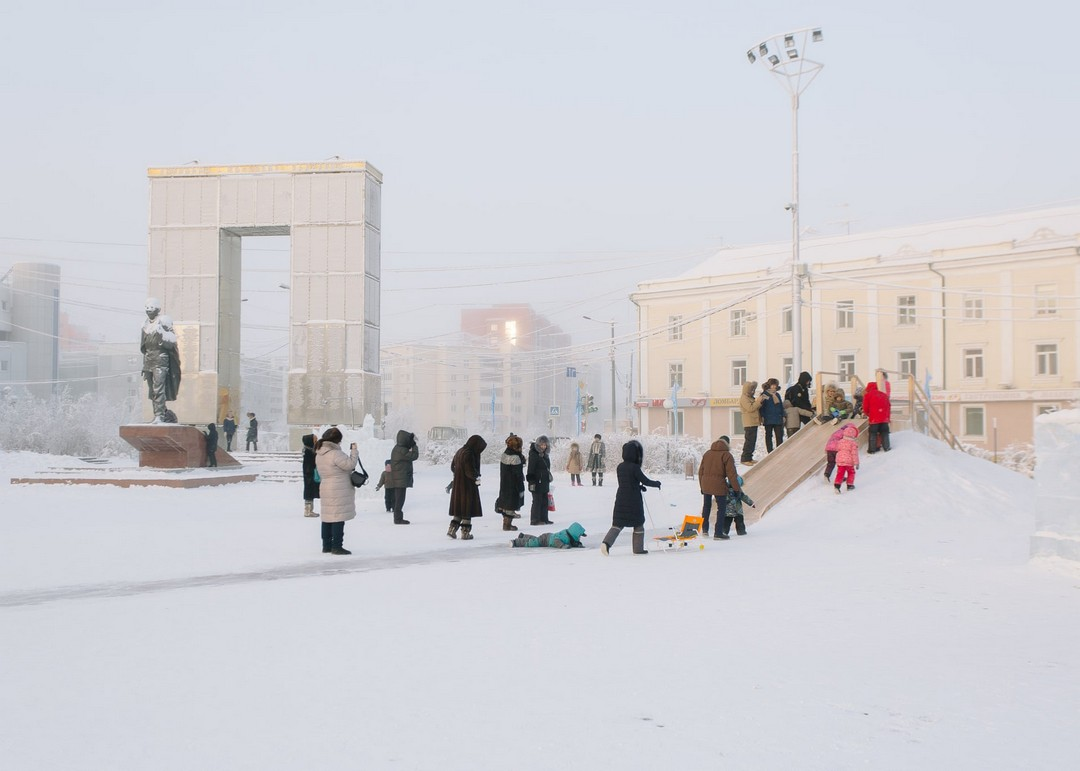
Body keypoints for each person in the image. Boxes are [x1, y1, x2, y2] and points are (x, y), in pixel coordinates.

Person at [600, 440, 661, 556]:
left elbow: (628, 482)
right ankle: (638, 549)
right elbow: (645, 481)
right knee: (638, 523)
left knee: (617, 524)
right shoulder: (635, 468)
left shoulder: (620, 467)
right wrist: (656, 483)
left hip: (621, 497)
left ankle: (606, 543)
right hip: (633, 500)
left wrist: (638, 487)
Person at [314, 427, 359, 555]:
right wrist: (354, 451)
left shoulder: (319, 453)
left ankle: (326, 545)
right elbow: (350, 465)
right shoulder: (334, 453)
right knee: (338, 517)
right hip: (338, 488)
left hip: (326, 486)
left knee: (328, 517)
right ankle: (337, 546)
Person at [140, 298, 181, 423]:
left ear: (157, 310)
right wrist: (144, 364)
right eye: (147, 310)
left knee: (159, 389)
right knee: (152, 390)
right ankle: (157, 414)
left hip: (161, 358)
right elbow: (145, 347)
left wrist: (161, 336)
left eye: (151, 309)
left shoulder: (163, 321)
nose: (149, 312)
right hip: (148, 360)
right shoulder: (145, 324)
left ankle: (159, 416)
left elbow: (172, 340)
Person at [698, 436, 742, 539]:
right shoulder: (727, 455)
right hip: (719, 484)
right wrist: (737, 489)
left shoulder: (707, 454)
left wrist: (702, 486)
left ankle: (705, 530)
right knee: (721, 508)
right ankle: (718, 533)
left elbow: (700, 472)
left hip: (706, 484)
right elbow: (732, 474)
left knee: (706, 506)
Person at [448, 434, 487, 540]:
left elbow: (453, 467)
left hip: (458, 485)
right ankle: (465, 533)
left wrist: (458, 474)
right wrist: (476, 477)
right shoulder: (469, 454)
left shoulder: (460, 451)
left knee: (459, 508)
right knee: (467, 509)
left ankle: (452, 529)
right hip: (467, 486)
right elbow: (469, 471)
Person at [495, 434, 525, 532]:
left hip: (504, 483)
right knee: (511, 505)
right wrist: (521, 488)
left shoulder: (505, 454)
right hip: (513, 485)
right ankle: (507, 525)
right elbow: (518, 475)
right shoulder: (515, 457)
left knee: (506, 503)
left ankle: (506, 523)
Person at [390, 430, 419, 525]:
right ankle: (398, 519)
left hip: (399, 478)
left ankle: (398, 518)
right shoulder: (401, 450)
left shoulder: (398, 448)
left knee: (399, 499)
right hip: (400, 479)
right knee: (400, 499)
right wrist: (414, 446)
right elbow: (414, 456)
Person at [527, 435, 554, 526]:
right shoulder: (534, 454)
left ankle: (544, 518)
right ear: (538, 445)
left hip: (544, 481)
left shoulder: (545, 455)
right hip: (536, 481)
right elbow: (531, 469)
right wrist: (531, 482)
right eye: (541, 445)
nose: (543, 447)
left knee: (544, 500)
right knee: (537, 501)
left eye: (545, 445)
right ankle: (535, 520)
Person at [864, 374, 892, 453]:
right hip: (884, 418)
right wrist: (887, 417)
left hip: (874, 419)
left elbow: (865, 407)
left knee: (873, 433)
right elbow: (889, 406)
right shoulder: (884, 395)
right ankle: (887, 447)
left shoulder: (868, 395)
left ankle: (872, 450)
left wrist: (868, 414)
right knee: (885, 432)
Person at [739, 380, 765, 465]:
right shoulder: (744, 398)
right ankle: (745, 458)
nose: (753, 392)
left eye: (754, 390)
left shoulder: (750, 398)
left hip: (753, 422)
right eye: (751, 390)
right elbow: (750, 408)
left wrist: (760, 402)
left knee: (752, 441)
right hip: (749, 423)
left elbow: (755, 407)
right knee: (749, 441)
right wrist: (758, 401)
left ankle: (749, 457)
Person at [511, 522, 586, 548]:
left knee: (536, 539)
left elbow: (572, 543)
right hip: (547, 539)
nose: (579, 538)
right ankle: (516, 542)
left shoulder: (569, 536)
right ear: (574, 534)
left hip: (548, 537)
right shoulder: (565, 536)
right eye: (579, 536)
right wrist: (562, 546)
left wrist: (577, 544)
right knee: (533, 543)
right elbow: (556, 541)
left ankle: (523, 536)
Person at [760, 378, 785, 453]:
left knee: (779, 435)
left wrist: (783, 415)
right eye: (772, 385)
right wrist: (762, 416)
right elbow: (762, 407)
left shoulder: (777, 395)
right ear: (769, 385)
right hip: (768, 418)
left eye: (775, 385)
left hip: (777, 418)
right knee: (768, 436)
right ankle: (770, 451)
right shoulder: (764, 395)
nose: (774, 387)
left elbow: (781, 406)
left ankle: (779, 451)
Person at [833, 423, 860, 493]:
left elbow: (837, 449)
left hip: (840, 461)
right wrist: (856, 463)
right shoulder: (853, 443)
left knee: (840, 473)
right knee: (851, 472)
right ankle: (850, 485)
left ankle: (837, 485)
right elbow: (854, 454)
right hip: (849, 462)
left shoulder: (840, 441)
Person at [301, 432, 320, 517]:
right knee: (309, 492)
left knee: (310, 492)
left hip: (310, 474)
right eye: (315, 440)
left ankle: (309, 510)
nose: (316, 441)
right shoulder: (309, 451)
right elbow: (310, 463)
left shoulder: (309, 450)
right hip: (310, 474)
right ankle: (308, 511)